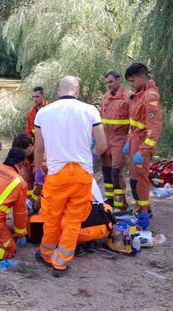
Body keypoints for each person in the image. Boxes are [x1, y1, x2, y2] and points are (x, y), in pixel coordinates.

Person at [34, 76, 107, 277]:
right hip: (82, 174)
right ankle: (61, 263)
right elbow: (102, 146)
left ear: (58, 91)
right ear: (78, 90)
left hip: (57, 174)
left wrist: (37, 170)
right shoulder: (90, 110)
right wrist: (89, 156)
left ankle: (46, 254)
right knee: (73, 220)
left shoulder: (43, 112)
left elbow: (39, 148)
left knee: (52, 217)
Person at [124, 63, 162, 216]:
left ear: (141, 77)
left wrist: (144, 150)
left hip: (143, 145)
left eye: (132, 81)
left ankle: (145, 211)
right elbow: (134, 122)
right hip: (135, 141)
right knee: (134, 178)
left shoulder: (150, 96)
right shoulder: (139, 94)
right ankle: (141, 208)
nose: (131, 85)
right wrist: (128, 140)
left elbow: (154, 128)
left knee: (140, 179)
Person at [100, 71, 130, 210]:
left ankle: (121, 204)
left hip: (120, 139)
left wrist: (129, 141)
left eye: (111, 82)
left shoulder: (128, 97)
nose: (108, 85)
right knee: (106, 172)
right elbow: (101, 119)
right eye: (106, 83)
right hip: (106, 139)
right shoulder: (105, 97)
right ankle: (110, 201)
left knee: (116, 172)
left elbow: (134, 122)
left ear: (118, 80)